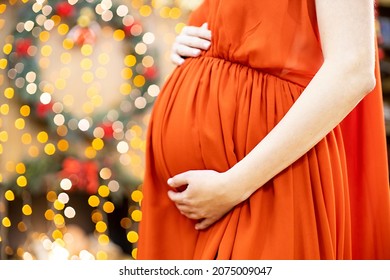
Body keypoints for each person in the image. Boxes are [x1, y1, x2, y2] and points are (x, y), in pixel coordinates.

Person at [137, 0, 390, 259]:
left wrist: (234, 185)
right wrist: (195, 35)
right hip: (189, 207)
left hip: (265, 183)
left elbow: (353, 69)